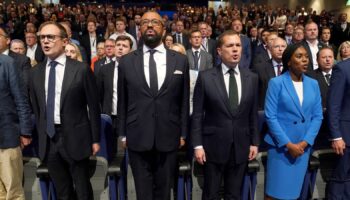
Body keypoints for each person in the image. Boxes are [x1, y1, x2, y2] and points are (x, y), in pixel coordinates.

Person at [117, 11, 189, 200]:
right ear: (139, 29)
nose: (150, 25)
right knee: (143, 192)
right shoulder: (126, 61)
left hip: (169, 134)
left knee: (164, 191)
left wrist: (183, 133)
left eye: (155, 22)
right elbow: (122, 101)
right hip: (137, 135)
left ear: (163, 29)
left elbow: (183, 99)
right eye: (145, 22)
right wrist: (122, 133)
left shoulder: (180, 60)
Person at [29, 21, 101, 200]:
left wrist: (95, 138)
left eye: (51, 37)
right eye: (42, 37)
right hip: (49, 140)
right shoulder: (35, 72)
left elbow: (93, 107)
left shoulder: (81, 69)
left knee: (83, 188)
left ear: (65, 41)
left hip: (76, 137)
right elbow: (37, 110)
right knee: (62, 191)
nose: (45, 41)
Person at [191, 30, 259, 200]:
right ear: (219, 51)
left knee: (234, 194)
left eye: (238, 45)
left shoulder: (252, 77)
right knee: (211, 194)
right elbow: (198, 114)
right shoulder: (206, 77)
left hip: (241, 146)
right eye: (230, 46)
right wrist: (197, 145)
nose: (235, 49)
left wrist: (254, 142)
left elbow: (253, 113)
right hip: (212, 146)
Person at [264, 43, 323, 200]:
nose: (304, 60)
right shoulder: (276, 83)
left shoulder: (313, 84)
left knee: (294, 194)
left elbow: (317, 116)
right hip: (281, 149)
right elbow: (270, 116)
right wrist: (288, 144)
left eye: (306, 56)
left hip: (302, 149)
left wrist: (304, 142)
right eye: (299, 56)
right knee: (274, 194)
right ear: (288, 61)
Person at [0, 54, 32, 200]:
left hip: (6, 135)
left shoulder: (7, 63)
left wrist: (25, 131)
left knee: (13, 191)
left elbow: (21, 99)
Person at [327, 44, 350, 200]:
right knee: (341, 177)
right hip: (346, 135)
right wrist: (336, 136)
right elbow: (333, 105)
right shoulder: (342, 69)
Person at [252, 37, 287, 110]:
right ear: (270, 50)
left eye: (283, 46)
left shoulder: (292, 68)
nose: (280, 49)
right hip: (266, 110)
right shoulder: (259, 68)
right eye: (276, 46)